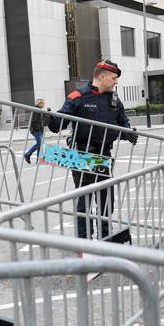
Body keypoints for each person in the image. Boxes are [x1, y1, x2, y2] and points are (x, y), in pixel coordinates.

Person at [48, 59, 137, 239]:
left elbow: (123, 124)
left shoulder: (114, 100)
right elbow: (59, 123)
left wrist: (129, 133)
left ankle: (104, 239)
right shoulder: (78, 96)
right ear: (101, 76)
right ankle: (85, 242)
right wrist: (48, 119)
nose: (116, 81)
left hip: (103, 154)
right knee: (85, 202)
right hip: (81, 154)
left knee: (105, 201)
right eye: (113, 78)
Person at [24, 98, 48, 164]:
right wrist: (36, 129)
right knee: (39, 143)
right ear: (38, 103)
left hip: (39, 129)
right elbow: (33, 121)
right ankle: (27, 154)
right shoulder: (36, 110)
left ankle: (38, 159)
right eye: (42, 103)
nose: (43, 104)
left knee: (40, 144)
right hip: (36, 130)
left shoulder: (39, 110)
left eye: (43, 103)